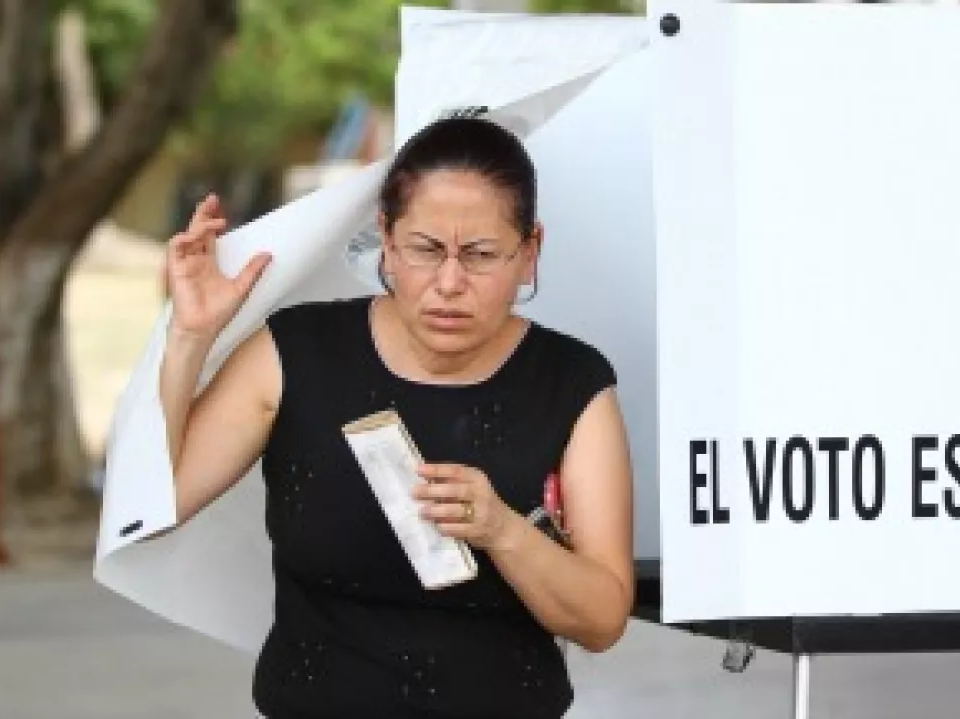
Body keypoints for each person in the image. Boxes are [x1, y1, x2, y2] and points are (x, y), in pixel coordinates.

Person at [159, 116, 635, 718]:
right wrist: (188, 339)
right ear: (385, 238)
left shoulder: (572, 382)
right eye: (425, 250)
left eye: (482, 255)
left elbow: (602, 620)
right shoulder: (296, 353)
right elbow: (156, 503)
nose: (450, 282)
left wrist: (502, 530)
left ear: (530, 252)